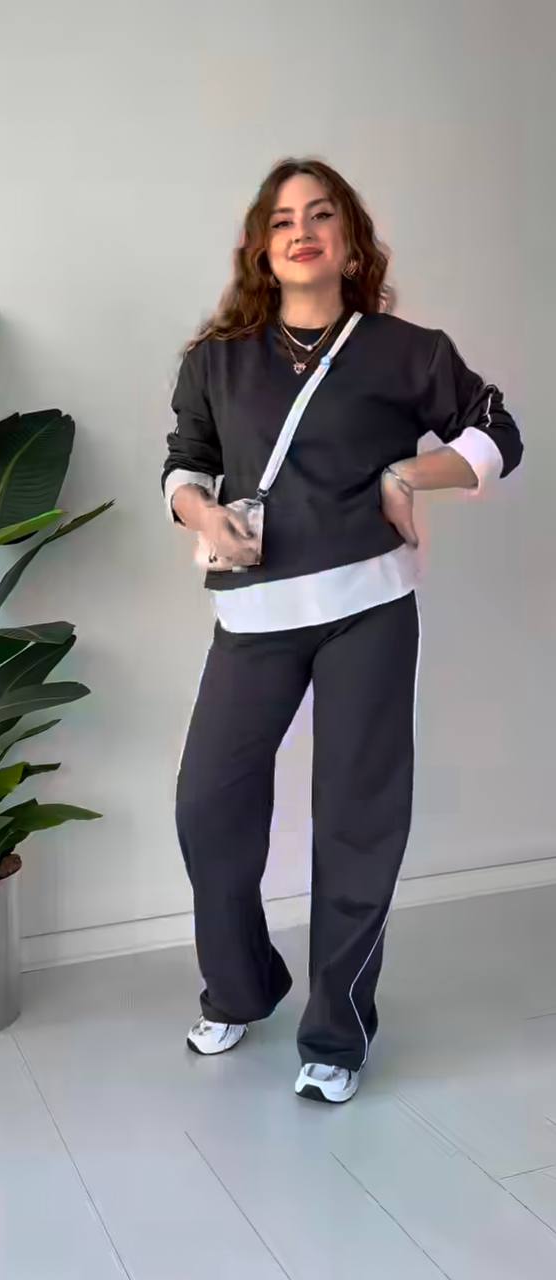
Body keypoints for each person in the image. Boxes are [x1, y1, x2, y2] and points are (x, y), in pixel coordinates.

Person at [160, 156, 524, 1105]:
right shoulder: (215, 360)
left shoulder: (408, 350)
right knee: (207, 805)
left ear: (351, 242)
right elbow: (185, 462)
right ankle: (241, 986)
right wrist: (203, 515)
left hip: (368, 604)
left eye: (320, 215)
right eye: (282, 219)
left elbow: (497, 432)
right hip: (253, 613)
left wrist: (410, 475)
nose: (301, 231)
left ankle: (336, 1031)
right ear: (261, 247)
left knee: (357, 816)